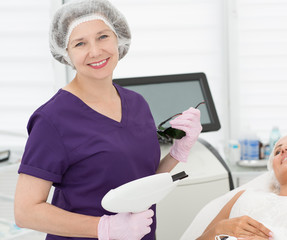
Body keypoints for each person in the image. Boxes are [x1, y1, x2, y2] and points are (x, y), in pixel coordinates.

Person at [13, 0, 202, 240]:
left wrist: (178, 152)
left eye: (102, 37)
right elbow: (25, 212)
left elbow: (140, 181)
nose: (95, 51)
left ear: (118, 38)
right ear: (66, 52)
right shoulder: (52, 119)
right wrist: (106, 228)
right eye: (80, 43)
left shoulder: (137, 103)